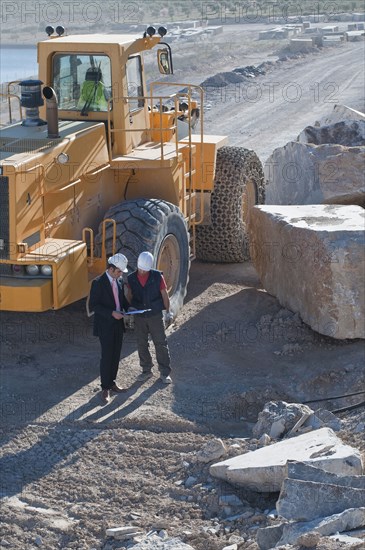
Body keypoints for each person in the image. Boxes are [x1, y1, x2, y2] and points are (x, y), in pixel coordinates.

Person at [127, 252, 173, 384]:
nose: (142, 271)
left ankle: (165, 373)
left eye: (145, 270)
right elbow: (129, 295)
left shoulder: (157, 276)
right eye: (140, 268)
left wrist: (168, 311)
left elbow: (164, 295)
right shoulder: (131, 278)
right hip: (140, 316)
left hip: (155, 316)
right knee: (141, 344)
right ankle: (146, 370)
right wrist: (129, 309)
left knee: (160, 343)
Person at [89, 253, 130, 404]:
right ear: (111, 269)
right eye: (119, 271)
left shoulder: (118, 280)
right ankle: (105, 388)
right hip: (105, 325)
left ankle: (112, 383)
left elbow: (121, 300)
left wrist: (129, 308)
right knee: (107, 356)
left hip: (118, 325)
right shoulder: (98, 283)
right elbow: (94, 306)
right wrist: (111, 313)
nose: (121, 274)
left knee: (115, 355)